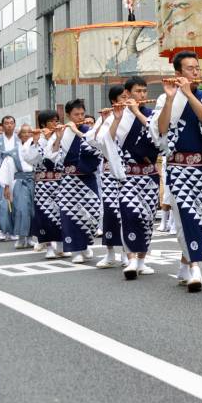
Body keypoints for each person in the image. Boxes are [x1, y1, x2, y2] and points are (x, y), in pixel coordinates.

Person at [151, 50, 202, 292]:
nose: (196, 72)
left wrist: (189, 94)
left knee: (199, 216)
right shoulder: (165, 98)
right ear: (178, 73)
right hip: (178, 167)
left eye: (197, 68)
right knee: (185, 216)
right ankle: (196, 268)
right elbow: (161, 128)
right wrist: (170, 98)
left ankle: (185, 262)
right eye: (190, 69)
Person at [110, 76, 161, 280]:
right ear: (128, 93)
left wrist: (137, 112)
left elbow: (158, 135)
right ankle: (130, 259)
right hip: (128, 175)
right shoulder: (119, 115)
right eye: (137, 91)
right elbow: (105, 140)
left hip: (149, 174)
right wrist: (115, 118)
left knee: (147, 218)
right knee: (130, 214)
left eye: (144, 91)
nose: (142, 95)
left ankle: (141, 260)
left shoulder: (151, 114)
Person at [52, 99, 103, 264]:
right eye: (76, 114)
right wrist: (58, 138)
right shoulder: (62, 131)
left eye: (82, 113)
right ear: (68, 115)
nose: (80, 117)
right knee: (70, 215)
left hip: (87, 177)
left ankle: (85, 243)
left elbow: (98, 147)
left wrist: (81, 131)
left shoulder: (88, 130)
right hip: (69, 180)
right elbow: (52, 157)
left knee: (92, 214)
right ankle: (75, 249)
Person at [90, 85, 130, 269]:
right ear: (114, 101)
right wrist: (106, 119)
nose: (126, 99)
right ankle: (110, 253)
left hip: (129, 169)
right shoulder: (106, 117)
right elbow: (94, 141)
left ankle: (127, 252)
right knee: (111, 211)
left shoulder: (134, 113)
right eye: (123, 97)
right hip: (109, 170)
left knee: (127, 212)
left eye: (127, 95)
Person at [24, 110, 65, 259]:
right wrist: (36, 142)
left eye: (57, 120)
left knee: (61, 214)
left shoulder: (61, 135)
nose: (56, 124)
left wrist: (58, 139)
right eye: (52, 121)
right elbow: (30, 159)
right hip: (42, 184)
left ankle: (61, 245)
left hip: (60, 182)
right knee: (45, 215)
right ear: (43, 124)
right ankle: (48, 247)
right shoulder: (35, 139)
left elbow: (60, 158)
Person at [0, 123, 37, 249]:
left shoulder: (36, 147)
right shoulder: (13, 152)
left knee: (33, 211)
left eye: (29, 132)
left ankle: (30, 237)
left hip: (36, 181)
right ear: (19, 135)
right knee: (20, 210)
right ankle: (21, 237)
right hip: (20, 182)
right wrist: (7, 186)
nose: (26, 134)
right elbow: (7, 169)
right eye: (23, 132)